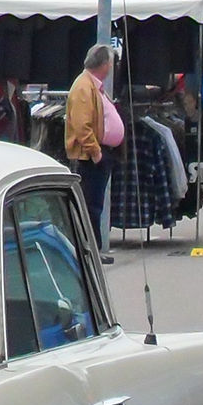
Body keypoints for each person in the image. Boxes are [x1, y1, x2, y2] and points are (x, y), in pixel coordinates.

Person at [65, 43, 123, 266]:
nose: (111, 67)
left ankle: (94, 249)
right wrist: (97, 153)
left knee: (95, 205)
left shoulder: (92, 85)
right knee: (91, 205)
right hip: (88, 157)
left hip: (96, 154)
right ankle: (90, 251)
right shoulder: (83, 87)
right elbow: (82, 126)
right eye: (110, 62)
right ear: (105, 64)